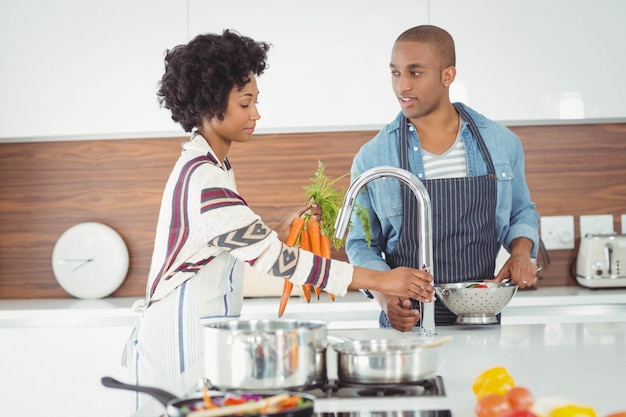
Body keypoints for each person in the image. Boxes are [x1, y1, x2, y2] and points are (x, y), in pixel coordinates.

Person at [123, 29, 435, 414]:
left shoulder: (209, 166)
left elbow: (217, 240)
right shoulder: (204, 179)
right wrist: (382, 279)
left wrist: (276, 229)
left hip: (196, 337)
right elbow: (280, 261)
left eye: (255, 101)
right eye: (245, 103)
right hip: (179, 345)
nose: (256, 114)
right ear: (210, 105)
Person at [345, 25, 540, 332]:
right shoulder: (373, 157)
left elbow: (521, 213)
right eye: (395, 73)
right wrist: (386, 299)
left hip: (481, 322)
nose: (402, 86)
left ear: (447, 76)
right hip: (407, 326)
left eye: (415, 73)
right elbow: (361, 244)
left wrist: (520, 253)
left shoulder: (502, 144)